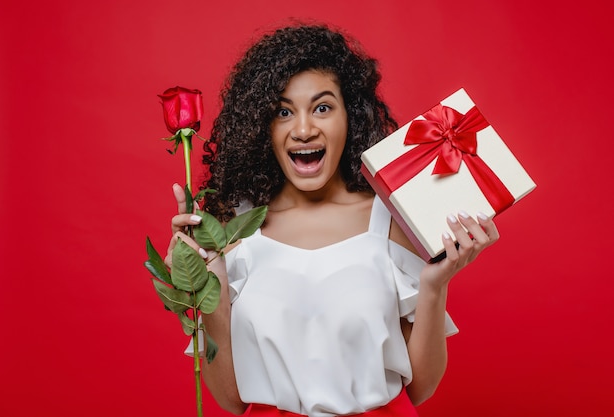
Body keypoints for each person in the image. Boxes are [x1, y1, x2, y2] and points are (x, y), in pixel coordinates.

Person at [164, 23, 499, 417]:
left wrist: (433, 287)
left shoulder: (390, 219)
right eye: (283, 112)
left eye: (322, 107)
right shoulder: (231, 231)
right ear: (262, 126)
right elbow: (231, 401)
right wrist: (208, 286)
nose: (304, 129)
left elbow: (421, 388)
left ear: (349, 117)